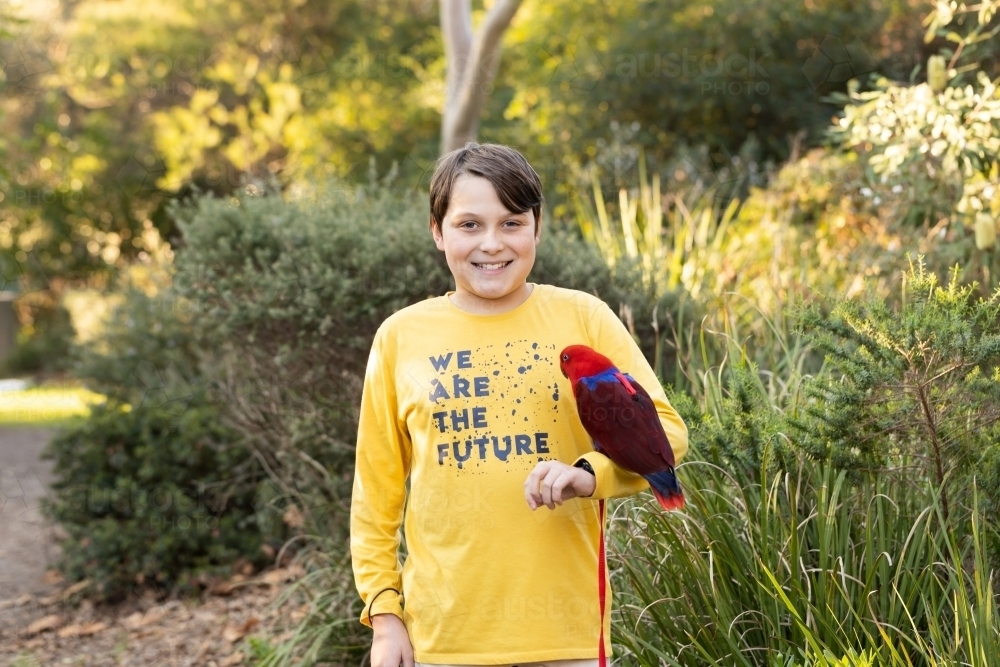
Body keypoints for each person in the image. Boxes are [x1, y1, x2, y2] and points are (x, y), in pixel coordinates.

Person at [350, 142, 688, 667]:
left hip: (565, 636)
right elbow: (375, 497)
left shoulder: (584, 318)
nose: (491, 243)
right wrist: (385, 616)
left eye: (512, 223)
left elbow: (667, 431)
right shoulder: (400, 337)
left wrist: (589, 473)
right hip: (442, 639)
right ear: (437, 231)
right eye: (468, 225)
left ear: (537, 228)